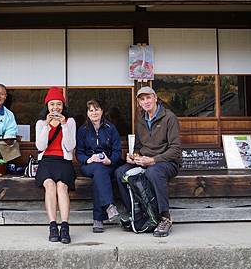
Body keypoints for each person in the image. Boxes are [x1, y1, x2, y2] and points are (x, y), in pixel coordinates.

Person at [114, 86, 181, 237]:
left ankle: (165, 218)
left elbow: (175, 149)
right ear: (139, 102)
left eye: (148, 98)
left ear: (155, 98)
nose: (146, 101)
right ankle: (136, 212)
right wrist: (133, 156)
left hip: (167, 162)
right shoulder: (140, 120)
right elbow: (139, 146)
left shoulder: (169, 118)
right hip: (146, 160)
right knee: (119, 172)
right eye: (142, 99)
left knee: (153, 172)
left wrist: (153, 160)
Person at [35, 87, 77, 244]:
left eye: (58, 104)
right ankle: (53, 226)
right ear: (47, 106)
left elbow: (71, 146)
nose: (55, 108)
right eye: (52, 104)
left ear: (63, 106)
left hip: (64, 161)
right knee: (50, 185)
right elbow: (40, 146)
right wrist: (46, 126)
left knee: (62, 187)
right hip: (46, 161)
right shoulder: (40, 123)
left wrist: (64, 125)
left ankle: (65, 226)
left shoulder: (70, 121)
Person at [76, 99, 122, 233]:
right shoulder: (82, 130)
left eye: (96, 109)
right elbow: (79, 153)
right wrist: (89, 159)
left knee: (99, 174)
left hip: (107, 164)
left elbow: (117, 151)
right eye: (91, 110)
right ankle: (109, 205)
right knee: (97, 169)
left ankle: (98, 219)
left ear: (102, 111)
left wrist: (110, 160)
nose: (94, 112)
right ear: (87, 113)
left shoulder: (110, 128)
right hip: (89, 165)